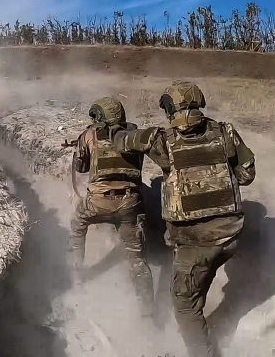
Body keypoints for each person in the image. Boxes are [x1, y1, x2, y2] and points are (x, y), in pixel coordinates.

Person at [107, 81, 256, 357]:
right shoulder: (225, 133)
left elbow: (123, 141)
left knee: (183, 301)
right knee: (201, 279)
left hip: (194, 243)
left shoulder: (161, 140)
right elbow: (247, 174)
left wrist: (114, 127)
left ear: (170, 109)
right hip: (230, 236)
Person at [69, 97, 155, 318]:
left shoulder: (89, 135)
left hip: (98, 202)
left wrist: (82, 146)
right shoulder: (134, 135)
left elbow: (80, 167)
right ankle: (148, 310)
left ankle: (77, 275)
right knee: (137, 257)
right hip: (130, 203)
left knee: (78, 223)